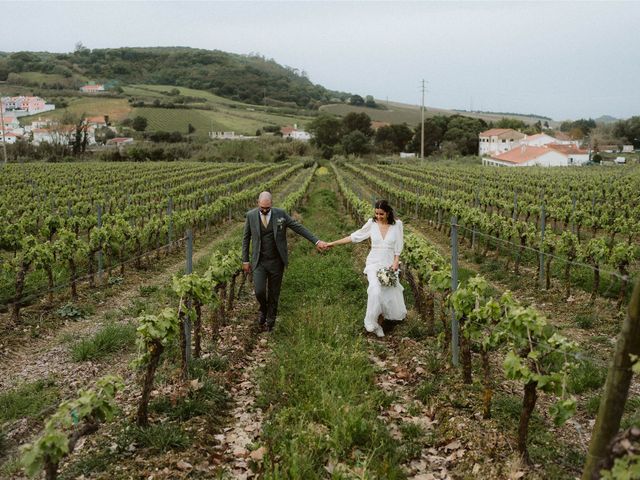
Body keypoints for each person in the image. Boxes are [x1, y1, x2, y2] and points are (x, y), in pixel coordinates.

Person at [242, 191, 329, 331]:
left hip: (276, 261)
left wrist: (316, 241)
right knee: (259, 291)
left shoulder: (280, 214)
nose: (264, 210)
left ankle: (270, 322)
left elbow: (298, 228)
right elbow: (246, 239)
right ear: (258, 203)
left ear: (271, 204)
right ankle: (263, 310)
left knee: (274, 292)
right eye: (262, 208)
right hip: (259, 261)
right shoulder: (251, 216)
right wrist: (245, 260)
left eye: (267, 208)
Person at [328, 199, 407, 337]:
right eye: (376, 213)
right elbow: (354, 237)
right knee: (375, 290)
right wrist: (333, 243)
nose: (378, 216)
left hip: (389, 264)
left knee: (387, 294)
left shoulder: (397, 225)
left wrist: (396, 262)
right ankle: (372, 323)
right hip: (373, 262)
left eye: (381, 214)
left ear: (388, 213)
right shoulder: (372, 224)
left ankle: (381, 323)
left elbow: (398, 247)